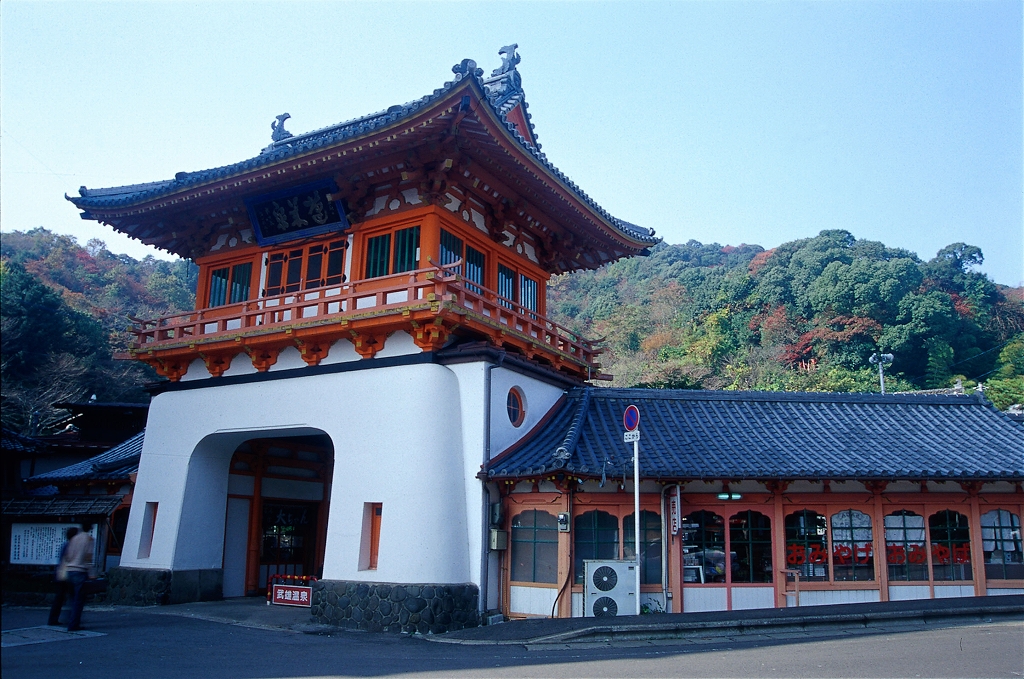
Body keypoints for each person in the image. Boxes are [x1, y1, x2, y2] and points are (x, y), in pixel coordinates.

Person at [51, 523, 96, 631]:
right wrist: (92, 573)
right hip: (80, 571)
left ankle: (64, 620)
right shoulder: (89, 539)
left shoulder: (73, 540)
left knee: (68, 598)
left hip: (69, 571)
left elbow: (68, 556)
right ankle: (73, 623)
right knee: (78, 599)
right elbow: (88, 558)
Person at [47, 527, 78, 627]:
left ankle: (54, 619)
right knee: (72, 597)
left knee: (60, 598)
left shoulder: (65, 545)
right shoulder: (71, 546)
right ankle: (71, 619)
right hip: (68, 574)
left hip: (60, 574)